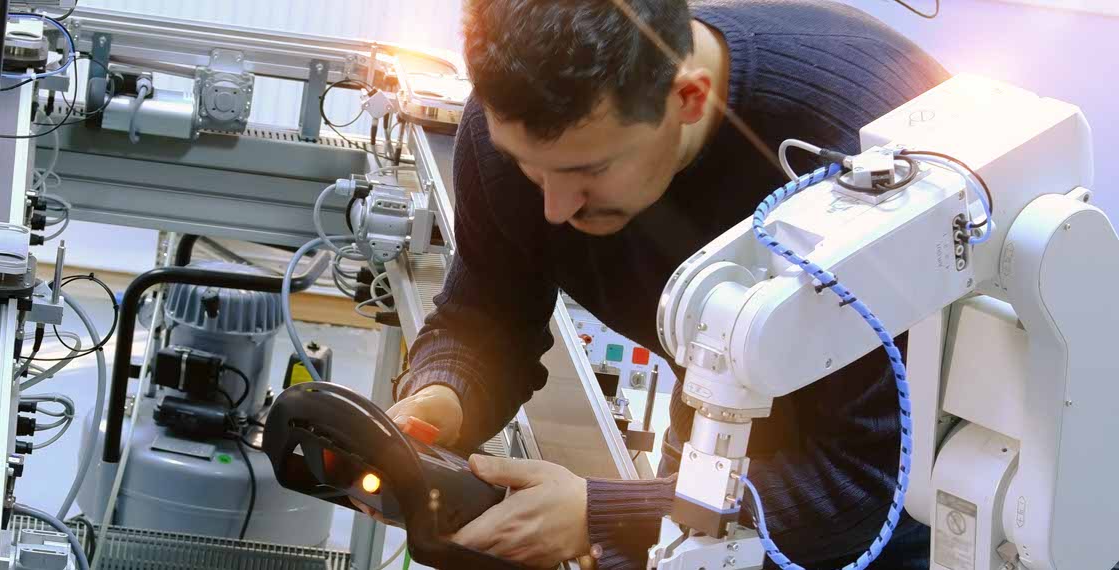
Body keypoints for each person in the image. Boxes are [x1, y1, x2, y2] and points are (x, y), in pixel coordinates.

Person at [381, 0, 950, 568]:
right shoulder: (514, 121)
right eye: (531, 167)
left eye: (589, 171)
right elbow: (487, 313)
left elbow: (866, 483)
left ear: (688, 98)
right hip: (715, 434)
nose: (553, 208)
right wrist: (443, 398)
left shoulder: (861, 161)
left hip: (917, 500)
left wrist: (602, 515)